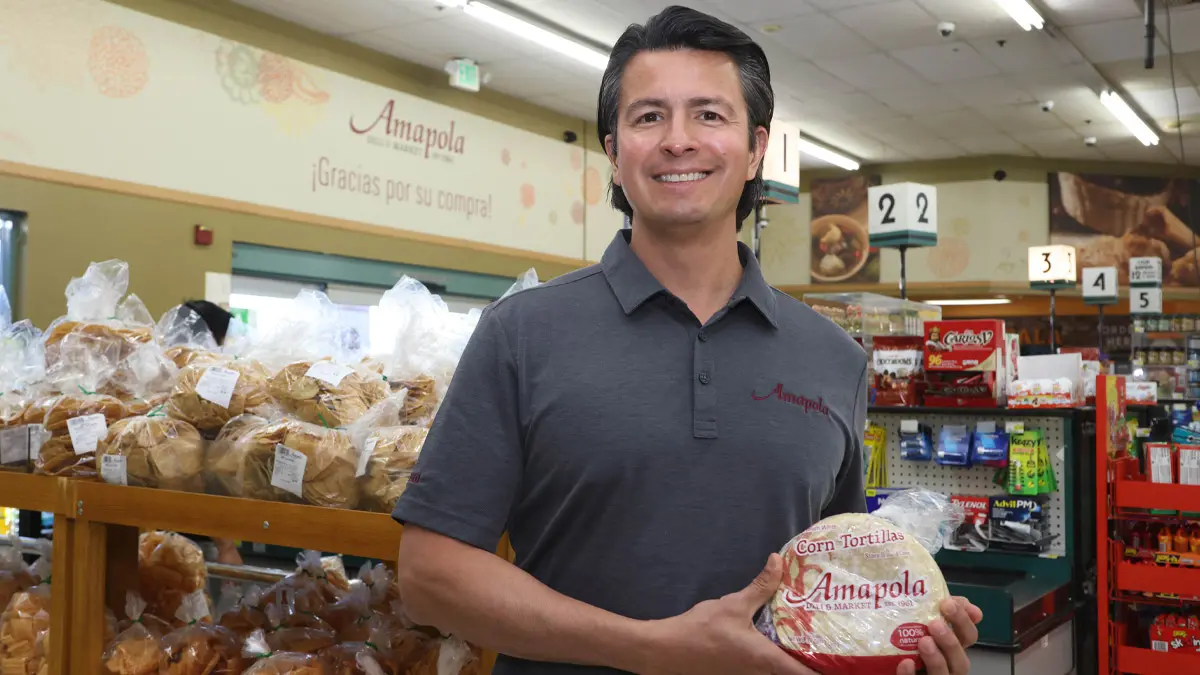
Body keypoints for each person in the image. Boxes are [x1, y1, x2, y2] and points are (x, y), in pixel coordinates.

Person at [393, 6, 981, 675]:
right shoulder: (522, 333)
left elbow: (833, 582)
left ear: (757, 147)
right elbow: (429, 573)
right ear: (614, 155)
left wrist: (898, 639)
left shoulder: (834, 358)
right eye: (648, 117)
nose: (678, 140)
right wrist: (653, 648)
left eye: (709, 114)